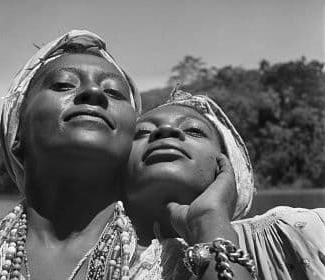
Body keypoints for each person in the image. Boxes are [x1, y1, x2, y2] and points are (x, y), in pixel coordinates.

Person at [0, 30, 142, 280]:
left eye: (113, 92)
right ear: (16, 133)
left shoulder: (182, 261)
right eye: (63, 84)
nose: (94, 92)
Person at [125, 88, 325, 279]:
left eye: (194, 130)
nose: (166, 131)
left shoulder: (296, 232)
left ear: (227, 165)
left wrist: (209, 223)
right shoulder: (101, 254)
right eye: (142, 132)